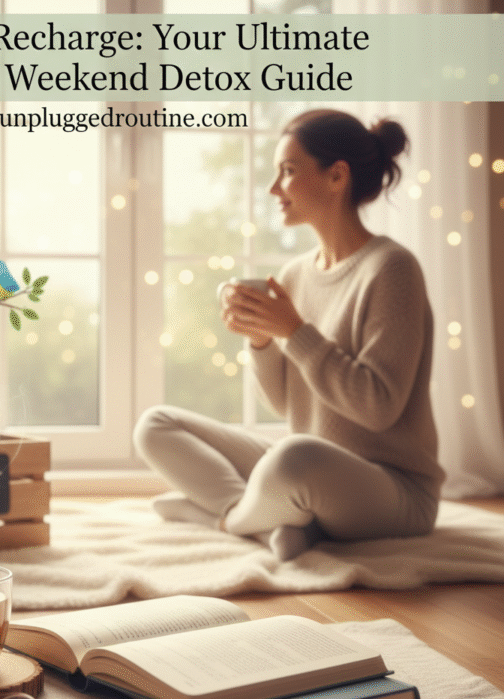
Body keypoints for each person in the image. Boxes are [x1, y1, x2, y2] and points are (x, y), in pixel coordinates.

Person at [133, 109, 445, 561]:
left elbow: (378, 409)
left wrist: (294, 332)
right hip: (315, 470)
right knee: (155, 424)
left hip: (395, 491)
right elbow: (285, 405)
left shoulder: (392, 269)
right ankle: (270, 522)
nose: (274, 189)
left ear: (336, 177)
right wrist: (261, 339)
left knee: (292, 458)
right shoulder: (295, 275)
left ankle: (227, 518)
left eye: (288, 171)